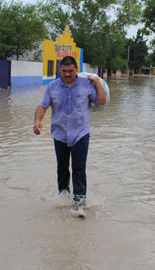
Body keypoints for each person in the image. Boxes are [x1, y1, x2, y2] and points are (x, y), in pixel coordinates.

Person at [33, 56, 107, 217]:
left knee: (79, 168)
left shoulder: (86, 85)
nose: (67, 74)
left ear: (76, 70)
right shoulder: (52, 87)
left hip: (80, 133)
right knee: (62, 167)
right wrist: (37, 121)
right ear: (60, 70)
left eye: (71, 71)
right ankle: (63, 197)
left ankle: (79, 203)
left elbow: (101, 100)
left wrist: (96, 81)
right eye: (64, 71)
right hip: (59, 134)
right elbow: (42, 105)